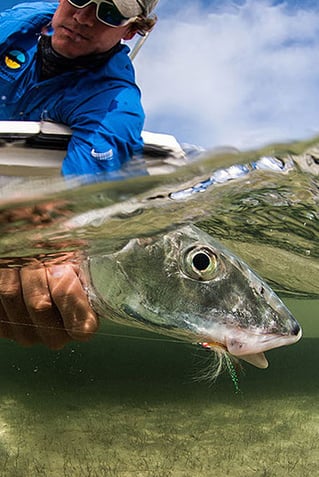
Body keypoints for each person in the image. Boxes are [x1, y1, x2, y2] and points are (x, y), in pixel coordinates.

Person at [0, 0, 159, 349]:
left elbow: (76, 201)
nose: (84, 18)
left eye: (110, 13)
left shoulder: (115, 105)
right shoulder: (13, 20)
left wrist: (43, 244)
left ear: (131, 31)